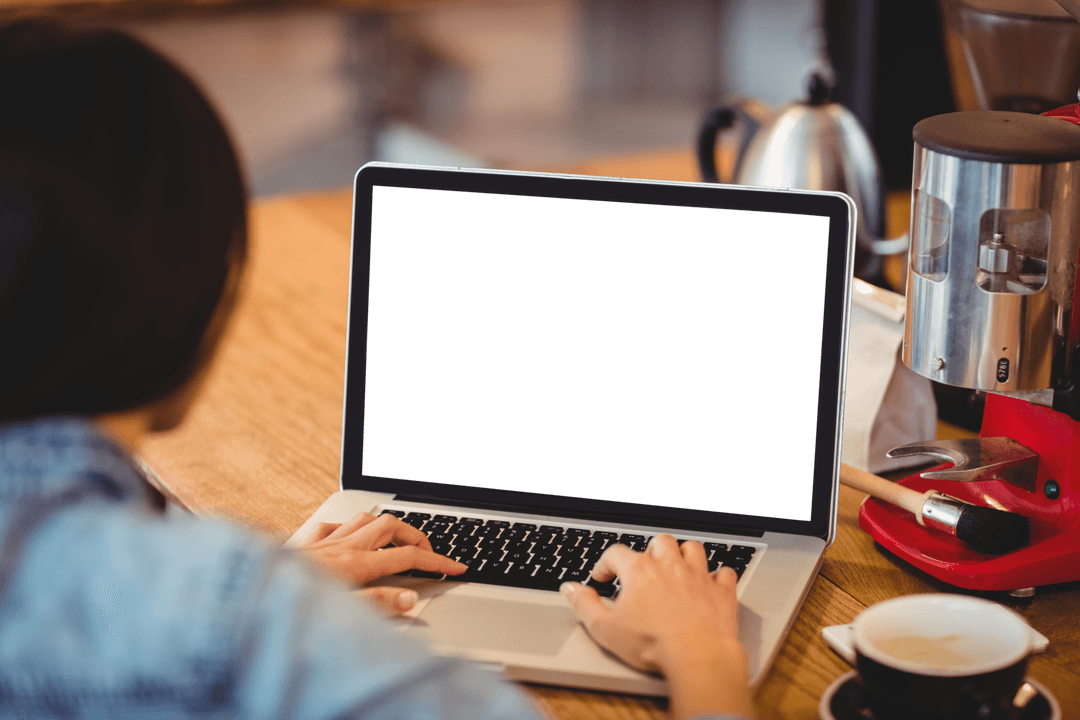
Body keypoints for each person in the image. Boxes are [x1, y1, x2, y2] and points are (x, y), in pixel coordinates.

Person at [0, 19, 754, 720]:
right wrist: (701, 654)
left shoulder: (230, 607)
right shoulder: (238, 616)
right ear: (192, 303)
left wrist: (270, 601)